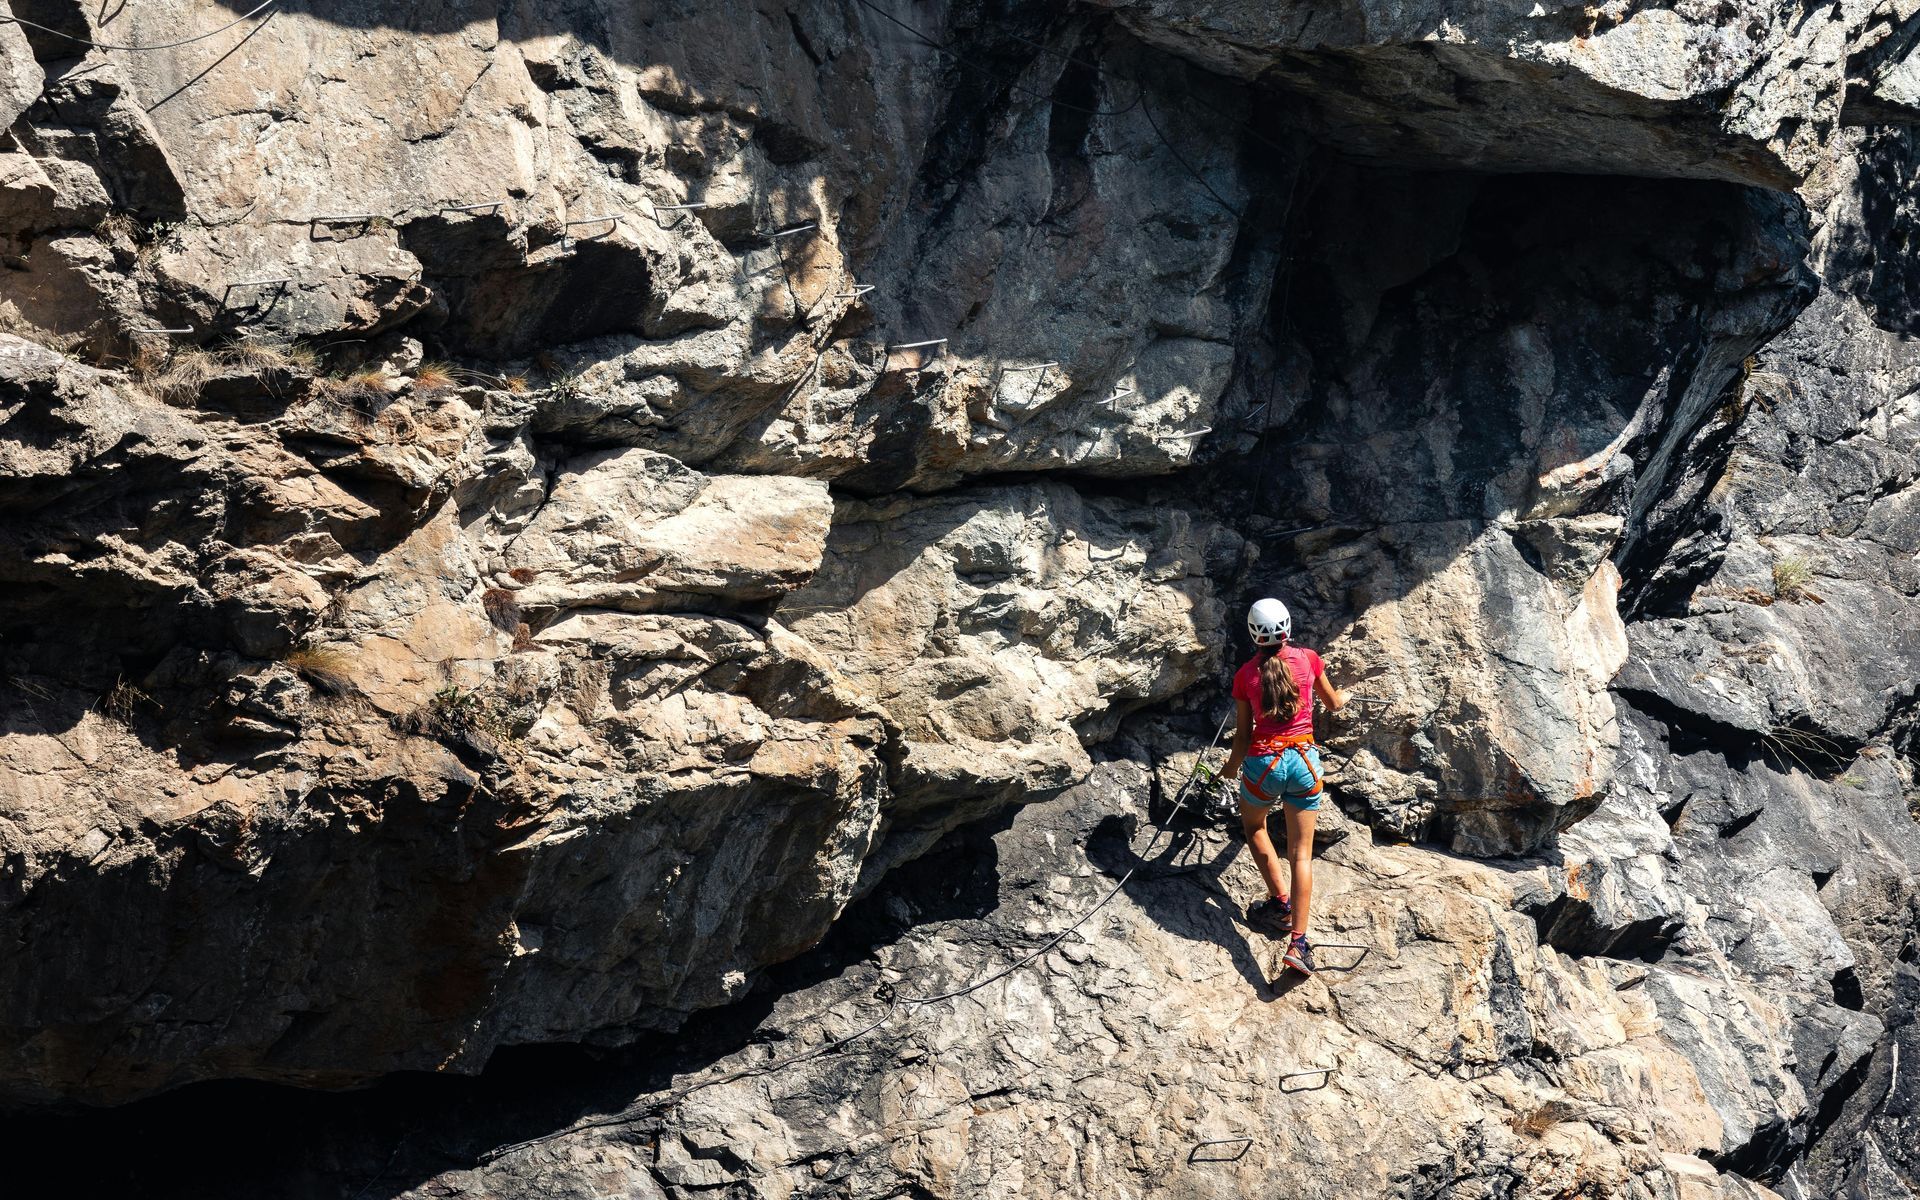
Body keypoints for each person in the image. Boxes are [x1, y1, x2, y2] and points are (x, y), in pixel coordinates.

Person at [1219, 597, 1345, 975]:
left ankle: (1281, 904)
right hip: (1305, 763)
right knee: (1301, 854)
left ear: (1252, 633)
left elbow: (1244, 737)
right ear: (1287, 627)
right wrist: (1346, 698)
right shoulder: (1308, 659)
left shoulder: (1245, 676)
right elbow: (1334, 704)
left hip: (1263, 765)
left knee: (1255, 827)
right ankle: (1299, 943)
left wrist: (1229, 768)